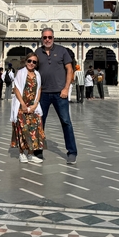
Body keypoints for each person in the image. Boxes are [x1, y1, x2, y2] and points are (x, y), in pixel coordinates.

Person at [35, 27, 78, 164]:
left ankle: (72, 152)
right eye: (45, 37)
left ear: (54, 38)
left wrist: (66, 88)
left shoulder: (62, 51)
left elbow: (69, 69)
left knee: (66, 122)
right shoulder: (38, 52)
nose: (47, 39)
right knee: (40, 123)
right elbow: (32, 71)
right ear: (42, 38)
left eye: (50, 37)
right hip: (43, 94)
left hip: (60, 93)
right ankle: (38, 151)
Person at [11, 53, 45, 164]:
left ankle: (30, 154)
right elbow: (16, 89)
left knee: (33, 130)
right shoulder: (21, 73)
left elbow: (39, 89)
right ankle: (21, 153)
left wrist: (35, 104)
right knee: (22, 130)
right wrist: (22, 104)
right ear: (26, 61)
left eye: (34, 62)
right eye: (29, 61)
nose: (31, 63)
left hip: (33, 107)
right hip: (22, 106)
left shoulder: (37, 75)